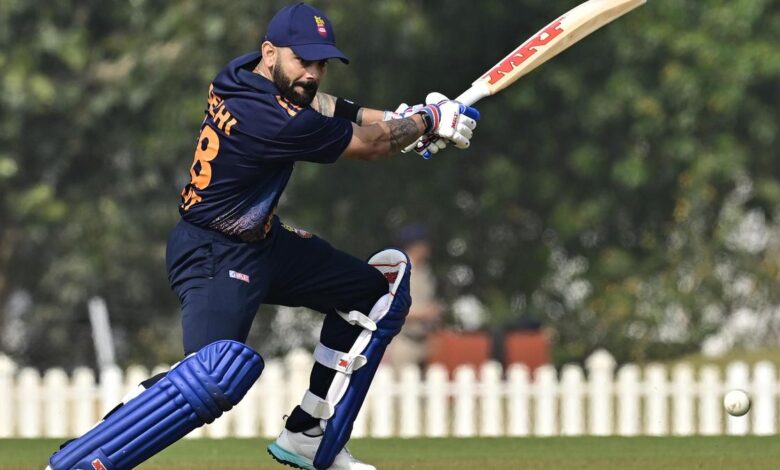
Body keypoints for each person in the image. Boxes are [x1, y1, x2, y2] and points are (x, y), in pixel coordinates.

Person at [46, 3, 479, 470]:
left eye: (321, 63)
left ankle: (309, 435)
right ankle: (86, 456)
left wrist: (402, 117)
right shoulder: (271, 119)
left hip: (264, 243)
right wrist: (426, 122)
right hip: (213, 254)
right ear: (270, 52)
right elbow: (370, 145)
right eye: (303, 60)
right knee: (215, 375)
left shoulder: (241, 74)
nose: (312, 73)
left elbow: (329, 106)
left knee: (373, 293)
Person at [385, 225, 444, 369]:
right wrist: (424, 313)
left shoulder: (426, 272)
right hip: (403, 342)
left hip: (424, 342)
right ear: (416, 246)